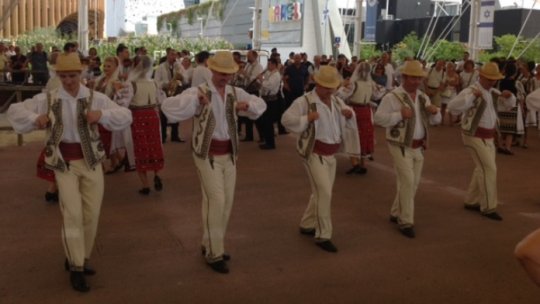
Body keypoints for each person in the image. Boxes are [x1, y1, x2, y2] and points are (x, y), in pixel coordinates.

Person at [7, 53, 132, 292]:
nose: (68, 80)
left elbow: (125, 115)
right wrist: (36, 118)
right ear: (58, 76)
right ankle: (76, 266)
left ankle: (79, 256)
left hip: (92, 162)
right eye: (63, 76)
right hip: (64, 164)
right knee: (72, 213)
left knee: (91, 213)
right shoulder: (50, 98)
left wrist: (102, 115)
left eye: (72, 75)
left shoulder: (96, 98)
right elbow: (15, 111)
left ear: (81, 74)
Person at [161, 51, 266, 274]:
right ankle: (214, 252)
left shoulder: (235, 92)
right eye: (221, 72)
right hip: (206, 154)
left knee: (224, 201)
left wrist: (247, 107)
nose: (224, 77)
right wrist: (194, 102)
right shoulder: (198, 91)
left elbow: (260, 104)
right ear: (211, 70)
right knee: (217, 200)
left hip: (230, 155)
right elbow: (169, 107)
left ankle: (211, 242)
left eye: (228, 73)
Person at [282, 65, 360, 252]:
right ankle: (323, 234)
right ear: (316, 83)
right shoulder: (305, 101)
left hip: (331, 155)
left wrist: (350, 115)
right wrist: (306, 119)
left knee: (321, 191)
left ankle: (307, 223)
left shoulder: (336, 102)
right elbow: (286, 119)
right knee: (324, 192)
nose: (329, 90)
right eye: (325, 86)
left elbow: (348, 114)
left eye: (332, 86)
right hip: (314, 153)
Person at [374, 60, 441, 238]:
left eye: (418, 78)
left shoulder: (422, 97)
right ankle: (406, 221)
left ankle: (396, 212)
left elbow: (434, 122)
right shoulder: (392, 97)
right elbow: (378, 119)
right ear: (404, 77)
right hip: (400, 144)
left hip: (418, 146)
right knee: (408, 181)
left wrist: (435, 112)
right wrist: (398, 115)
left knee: (413, 183)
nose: (416, 81)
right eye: (413, 78)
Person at [447, 62, 514, 221]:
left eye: (494, 79)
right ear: (481, 76)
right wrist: (471, 97)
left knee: (481, 168)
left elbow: (509, 106)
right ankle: (488, 206)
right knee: (489, 168)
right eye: (489, 79)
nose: (492, 82)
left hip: (489, 136)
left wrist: (509, 96)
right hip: (473, 135)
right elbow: (453, 107)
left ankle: (471, 200)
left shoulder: (493, 92)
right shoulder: (471, 90)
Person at [127, 55, 165, 195]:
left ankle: (145, 185)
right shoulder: (154, 83)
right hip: (152, 116)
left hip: (138, 117)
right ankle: (156, 174)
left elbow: (125, 102)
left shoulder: (132, 84)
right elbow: (160, 100)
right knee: (154, 145)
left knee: (140, 147)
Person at [337, 62, 377, 174]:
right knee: (364, 135)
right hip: (367, 111)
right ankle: (362, 163)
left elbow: (340, 95)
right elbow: (378, 94)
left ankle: (355, 162)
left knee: (352, 135)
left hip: (355, 111)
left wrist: (341, 86)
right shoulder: (371, 84)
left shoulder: (353, 84)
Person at [154, 48, 184, 143]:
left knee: (176, 113)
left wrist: (179, 80)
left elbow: (184, 78)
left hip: (175, 93)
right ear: (167, 55)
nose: (173, 57)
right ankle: (163, 136)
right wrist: (166, 84)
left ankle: (175, 135)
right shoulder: (161, 67)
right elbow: (156, 81)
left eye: (175, 55)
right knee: (163, 116)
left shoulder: (178, 66)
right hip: (164, 93)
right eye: (171, 54)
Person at [258, 57, 282, 150]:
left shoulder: (276, 75)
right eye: (268, 64)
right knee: (265, 122)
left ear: (274, 65)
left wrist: (261, 80)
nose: (267, 66)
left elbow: (269, 86)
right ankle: (267, 141)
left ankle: (270, 144)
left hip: (271, 101)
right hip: (266, 100)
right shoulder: (270, 73)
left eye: (269, 64)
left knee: (268, 122)